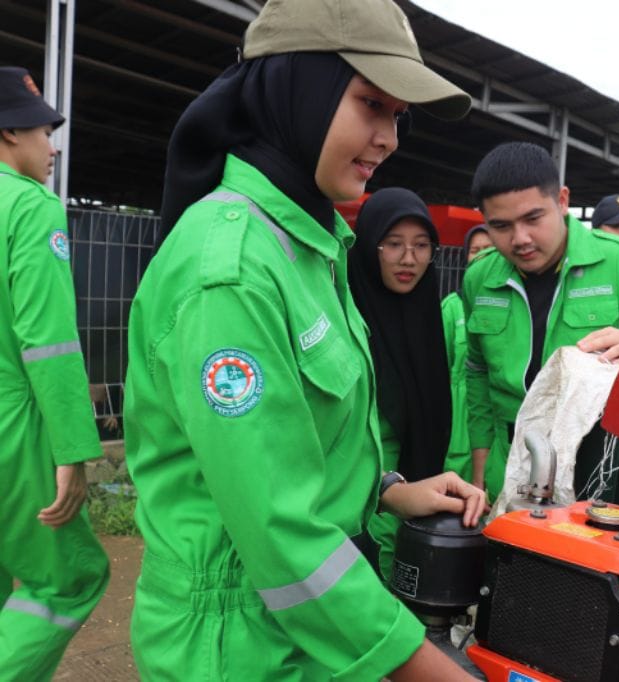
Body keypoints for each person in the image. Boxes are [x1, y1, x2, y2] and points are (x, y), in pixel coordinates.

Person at [122, 1, 486, 680]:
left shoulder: (311, 246)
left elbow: (301, 443)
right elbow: (279, 532)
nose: (389, 138)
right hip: (239, 643)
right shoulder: (232, 272)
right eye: (371, 104)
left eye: (398, 116)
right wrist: (432, 671)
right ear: (300, 91)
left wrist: (387, 488)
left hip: (301, 625)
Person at [463, 142, 619, 500]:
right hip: (508, 463)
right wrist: (480, 468)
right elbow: (477, 374)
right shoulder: (479, 278)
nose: (520, 239)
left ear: (561, 201)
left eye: (533, 219)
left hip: (596, 468)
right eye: (501, 226)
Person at [0, 66, 109, 680]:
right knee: (67, 581)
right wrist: (72, 448)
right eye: (46, 132)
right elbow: (48, 342)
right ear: (10, 132)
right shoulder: (29, 207)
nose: (54, 147)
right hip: (12, 424)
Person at [349, 187, 453, 581]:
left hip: (419, 499)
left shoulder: (427, 317)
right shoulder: (343, 317)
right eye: (393, 244)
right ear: (368, 246)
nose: (408, 258)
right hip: (356, 506)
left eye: (421, 245)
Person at [441, 224, 492, 483]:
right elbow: (440, 368)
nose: (481, 255)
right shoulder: (452, 307)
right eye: (475, 250)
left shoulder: (511, 304)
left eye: (489, 249)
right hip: (460, 426)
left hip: (498, 420)